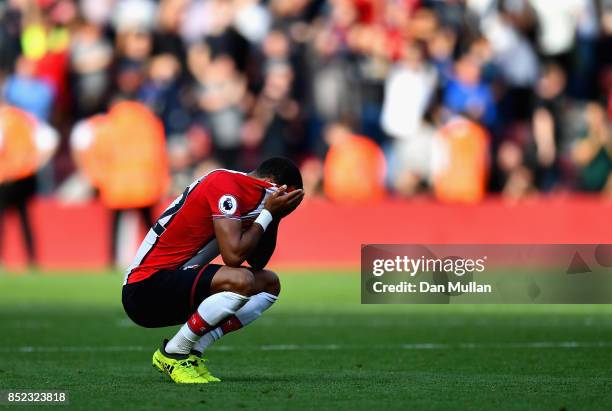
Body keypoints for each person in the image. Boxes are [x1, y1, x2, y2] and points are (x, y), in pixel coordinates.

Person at [122, 157, 304, 384]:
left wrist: (273, 216)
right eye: (288, 198)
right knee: (241, 280)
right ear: (273, 184)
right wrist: (267, 213)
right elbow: (234, 256)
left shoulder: (255, 198)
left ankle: (193, 351)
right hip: (145, 288)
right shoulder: (225, 183)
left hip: (176, 280)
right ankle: (174, 353)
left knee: (268, 285)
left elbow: (258, 261)